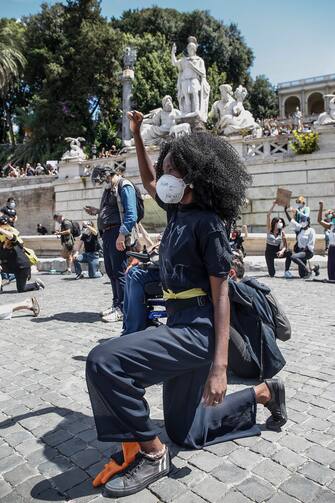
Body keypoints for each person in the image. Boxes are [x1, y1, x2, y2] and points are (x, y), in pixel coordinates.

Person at [86, 111, 288, 499]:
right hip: (178, 322)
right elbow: (147, 181)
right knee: (187, 431)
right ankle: (264, 394)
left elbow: (222, 294)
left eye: (171, 170)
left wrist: (220, 368)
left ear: (193, 176)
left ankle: (153, 453)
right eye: (163, 169)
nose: (162, 177)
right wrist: (137, 137)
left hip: (197, 330)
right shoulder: (179, 211)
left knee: (103, 361)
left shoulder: (209, 224)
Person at [84, 166, 138, 323]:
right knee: (111, 271)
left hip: (117, 233)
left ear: (108, 175)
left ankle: (122, 308)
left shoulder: (124, 185)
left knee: (119, 271)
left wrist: (122, 234)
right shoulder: (110, 189)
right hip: (108, 234)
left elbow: (131, 213)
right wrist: (97, 211)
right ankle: (116, 304)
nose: (102, 184)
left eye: (103, 180)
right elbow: (111, 210)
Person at [0, 215, 45, 293]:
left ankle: (37, 284)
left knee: (21, 289)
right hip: (10, 266)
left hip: (22, 267)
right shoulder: (1, 242)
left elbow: (11, 236)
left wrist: (1, 229)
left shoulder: (15, 240)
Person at [284, 209, 318, 279]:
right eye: (301, 221)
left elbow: (311, 242)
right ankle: (315, 267)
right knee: (302, 275)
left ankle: (307, 270)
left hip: (307, 252)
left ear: (308, 222)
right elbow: (291, 221)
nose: (302, 222)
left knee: (293, 257)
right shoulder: (300, 228)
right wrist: (285, 211)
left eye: (304, 221)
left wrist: (304, 250)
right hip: (300, 252)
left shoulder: (311, 231)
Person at [265, 202, 288, 277]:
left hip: (277, 252)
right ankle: (271, 271)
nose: (281, 223)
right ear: (275, 223)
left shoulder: (282, 232)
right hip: (269, 253)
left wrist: (282, 251)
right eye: (279, 222)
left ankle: (286, 271)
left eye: (281, 222)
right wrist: (274, 205)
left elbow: (285, 246)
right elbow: (268, 215)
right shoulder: (269, 230)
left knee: (289, 253)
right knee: (272, 274)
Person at [318, 201, 335, 280]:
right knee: (331, 269)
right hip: (332, 248)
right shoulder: (331, 226)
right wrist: (321, 207)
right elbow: (319, 220)